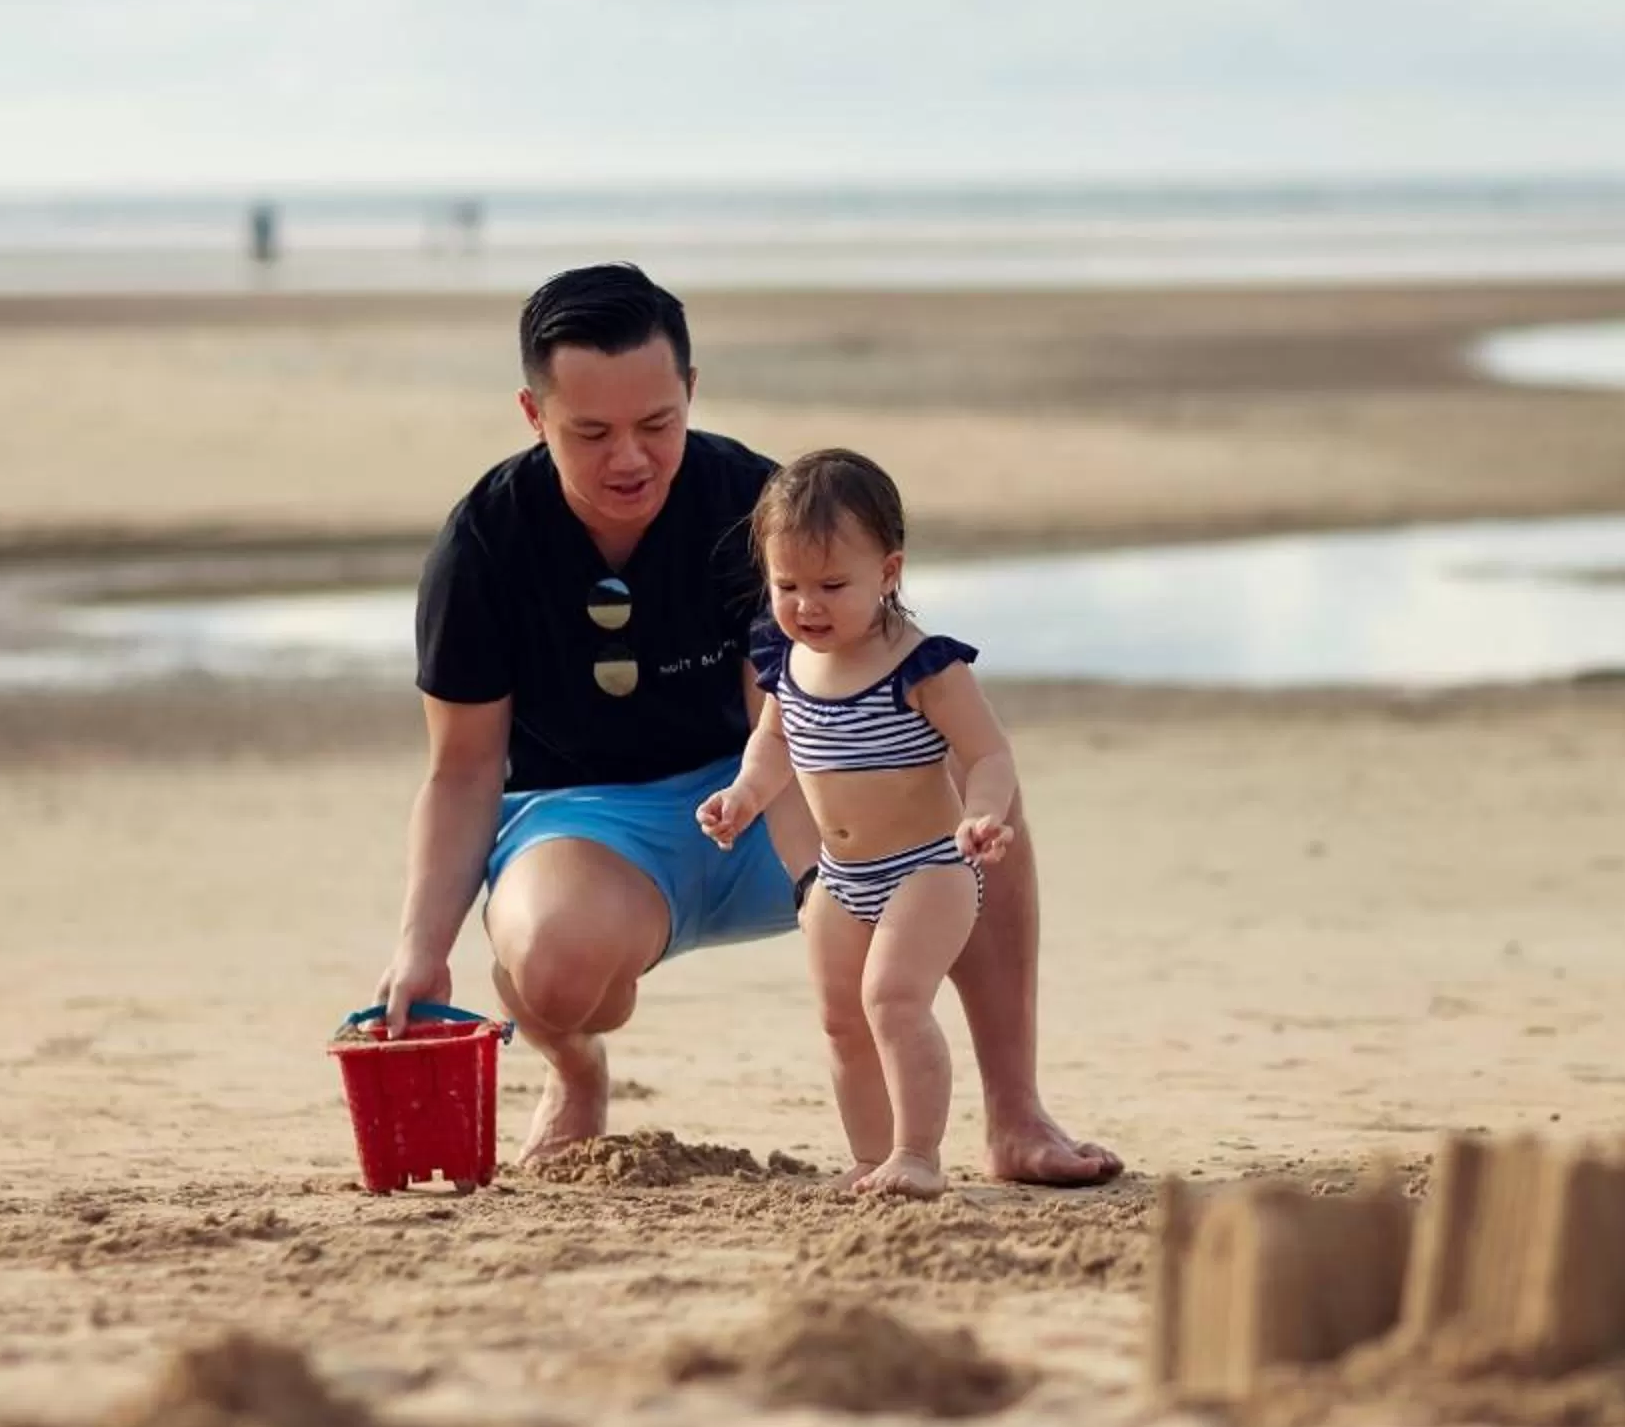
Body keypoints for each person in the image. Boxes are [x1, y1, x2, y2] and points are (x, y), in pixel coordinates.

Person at [368, 262, 1119, 1183]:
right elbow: (463, 771)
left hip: (780, 798)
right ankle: (575, 1071)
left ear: (690, 389)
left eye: (657, 424)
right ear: (534, 415)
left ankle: (1015, 1116)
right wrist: (421, 949)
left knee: (971, 801)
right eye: (591, 432)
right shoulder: (485, 543)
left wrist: (818, 885)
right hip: (593, 825)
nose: (630, 459)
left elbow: (794, 723)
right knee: (554, 966)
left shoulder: (755, 508)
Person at [695, 450, 1009, 1199]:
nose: (809, 605)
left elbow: (988, 751)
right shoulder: (787, 661)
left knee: (892, 1001)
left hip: (929, 867)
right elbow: (773, 745)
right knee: (841, 1020)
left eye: (833, 586)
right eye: (788, 585)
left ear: (889, 573)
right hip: (841, 879)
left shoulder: (922, 666)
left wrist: (985, 811)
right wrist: (742, 796)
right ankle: (873, 1157)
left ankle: (918, 1153)